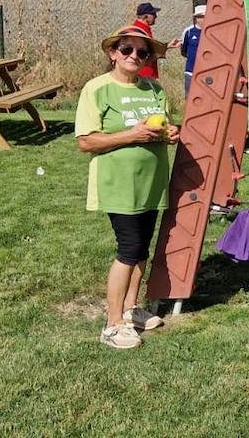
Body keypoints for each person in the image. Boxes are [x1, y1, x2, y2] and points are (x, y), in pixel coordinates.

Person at [76, 24, 181, 349]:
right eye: (127, 50)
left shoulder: (154, 89)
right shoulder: (97, 89)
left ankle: (131, 309)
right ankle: (112, 324)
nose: (135, 56)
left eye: (143, 51)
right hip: (118, 183)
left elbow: (162, 125)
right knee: (128, 250)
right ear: (113, 53)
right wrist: (131, 135)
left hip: (152, 184)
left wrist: (171, 132)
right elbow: (86, 141)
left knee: (141, 250)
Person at [131, 3, 165, 80]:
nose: (156, 16)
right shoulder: (139, 31)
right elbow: (146, 54)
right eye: (153, 14)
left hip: (148, 73)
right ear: (146, 16)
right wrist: (166, 47)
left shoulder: (144, 29)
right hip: (144, 74)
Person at [180, 4, 204, 97]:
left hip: (205, 71)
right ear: (196, 18)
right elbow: (183, 50)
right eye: (201, 17)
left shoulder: (211, 32)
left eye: (205, 17)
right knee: (190, 97)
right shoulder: (189, 32)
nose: (203, 19)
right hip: (190, 71)